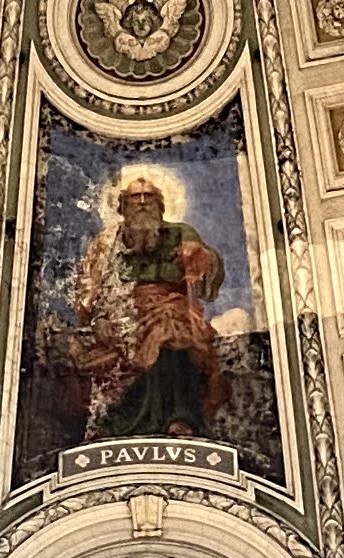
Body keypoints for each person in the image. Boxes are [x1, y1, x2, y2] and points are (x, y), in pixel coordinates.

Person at [62, 177, 226, 442]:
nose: (141, 203)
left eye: (148, 197)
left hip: (173, 306)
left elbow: (207, 265)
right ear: (122, 207)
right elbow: (90, 288)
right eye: (134, 198)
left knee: (171, 331)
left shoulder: (180, 232)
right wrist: (99, 318)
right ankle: (125, 421)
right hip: (124, 310)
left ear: (160, 205)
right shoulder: (107, 243)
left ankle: (181, 416)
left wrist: (199, 256)